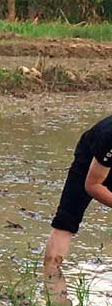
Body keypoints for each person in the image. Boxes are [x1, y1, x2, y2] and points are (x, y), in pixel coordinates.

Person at [43, 114, 112, 275]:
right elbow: (93, 185)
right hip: (90, 163)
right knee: (67, 219)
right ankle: (51, 281)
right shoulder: (109, 135)